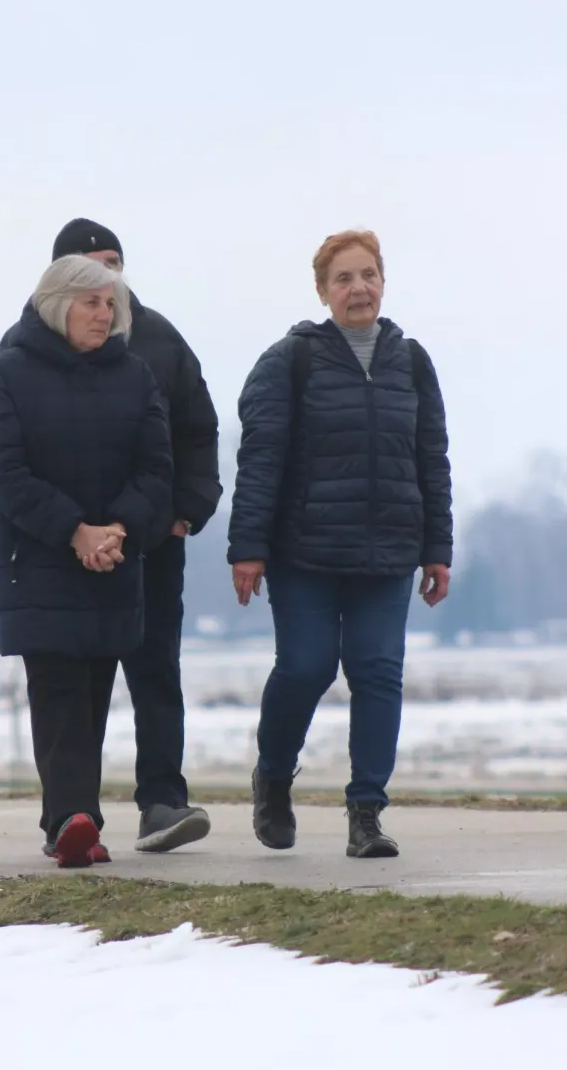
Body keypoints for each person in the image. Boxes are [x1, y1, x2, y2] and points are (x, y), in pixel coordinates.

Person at [0, 219, 222, 854]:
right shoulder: (11, 366)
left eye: (113, 289)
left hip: (132, 551)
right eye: (92, 290)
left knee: (129, 676)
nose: (108, 304)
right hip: (46, 556)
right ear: (58, 294)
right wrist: (57, 532)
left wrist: (141, 524)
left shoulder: (146, 355)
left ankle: (151, 802)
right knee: (60, 688)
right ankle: (73, 820)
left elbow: (172, 450)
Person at [228, 230, 452, 859]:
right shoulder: (290, 360)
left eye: (369, 276)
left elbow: (431, 457)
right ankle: (273, 776)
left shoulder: (411, 361)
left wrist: (438, 547)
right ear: (323, 291)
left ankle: (366, 813)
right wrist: (248, 546)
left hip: (388, 552)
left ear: (384, 282)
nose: (359, 289)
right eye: (344, 279)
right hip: (306, 552)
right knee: (306, 667)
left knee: (378, 673)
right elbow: (261, 458)